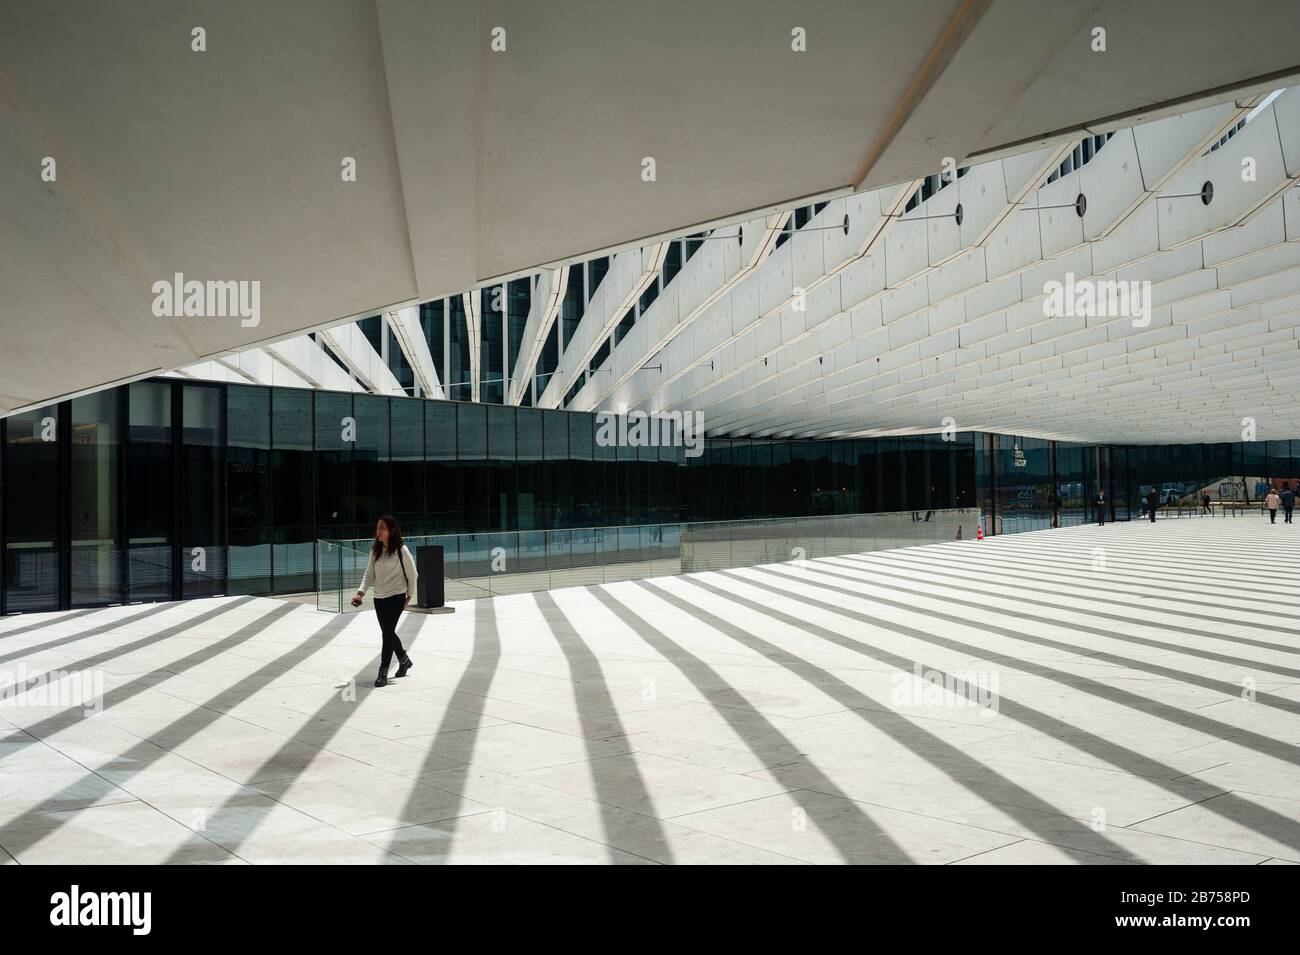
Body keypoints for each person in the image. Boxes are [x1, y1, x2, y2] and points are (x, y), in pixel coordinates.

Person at [352, 515, 418, 687]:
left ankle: (383, 672)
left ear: (392, 530)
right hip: (379, 598)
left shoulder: (401, 551)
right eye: (378, 528)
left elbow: (413, 576)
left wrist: (409, 596)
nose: (378, 532)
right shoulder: (376, 551)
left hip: (397, 596)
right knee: (388, 632)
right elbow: (369, 575)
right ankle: (404, 660)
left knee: (387, 633)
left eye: (382, 528)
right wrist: (360, 592)